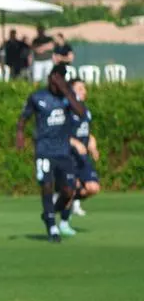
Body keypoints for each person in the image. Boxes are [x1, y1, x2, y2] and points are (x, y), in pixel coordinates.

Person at [16, 64, 82, 241]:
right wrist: (20, 134)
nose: (61, 81)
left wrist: (66, 91)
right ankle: (52, 225)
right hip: (44, 150)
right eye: (59, 77)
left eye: (64, 78)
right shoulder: (37, 97)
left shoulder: (67, 96)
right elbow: (23, 117)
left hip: (64, 151)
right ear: (52, 77)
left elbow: (81, 112)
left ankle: (49, 213)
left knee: (69, 190)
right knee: (46, 185)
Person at [68, 79, 99, 217]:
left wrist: (92, 145)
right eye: (80, 88)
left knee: (93, 188)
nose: (84, 91)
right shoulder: (66, 110)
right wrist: (75, 143)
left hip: (83, 156)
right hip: (68, 155)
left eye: (84, 88)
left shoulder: (86, 111)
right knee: (72, 185)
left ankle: (68, 200)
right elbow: (59, 135)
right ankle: (67, 205)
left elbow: (86, 133)